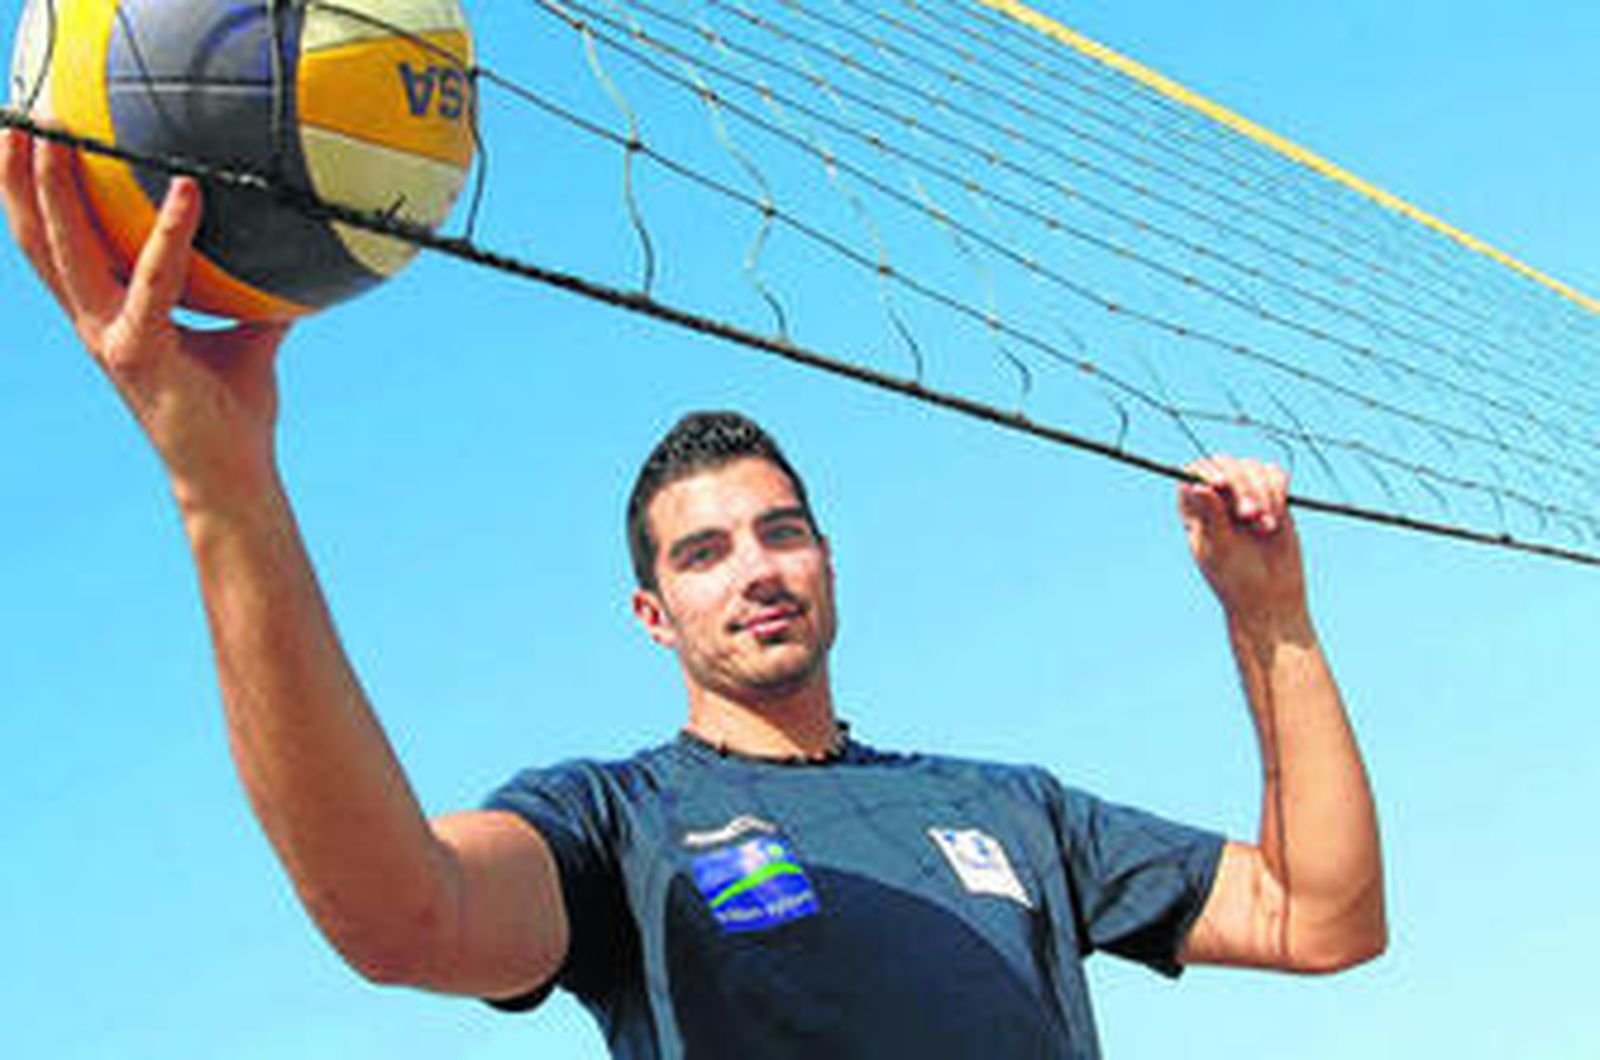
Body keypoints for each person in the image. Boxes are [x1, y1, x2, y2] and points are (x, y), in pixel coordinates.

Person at [2, 130, 1385, 1058]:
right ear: (652, 616)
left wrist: (1270, 616)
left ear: (829, 558)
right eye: (704, 552)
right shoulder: (617, 824)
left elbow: (1324, 917)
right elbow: (397, 913)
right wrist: (223, 490)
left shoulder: (1013, 809)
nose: (758, 569)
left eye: (780, 532)